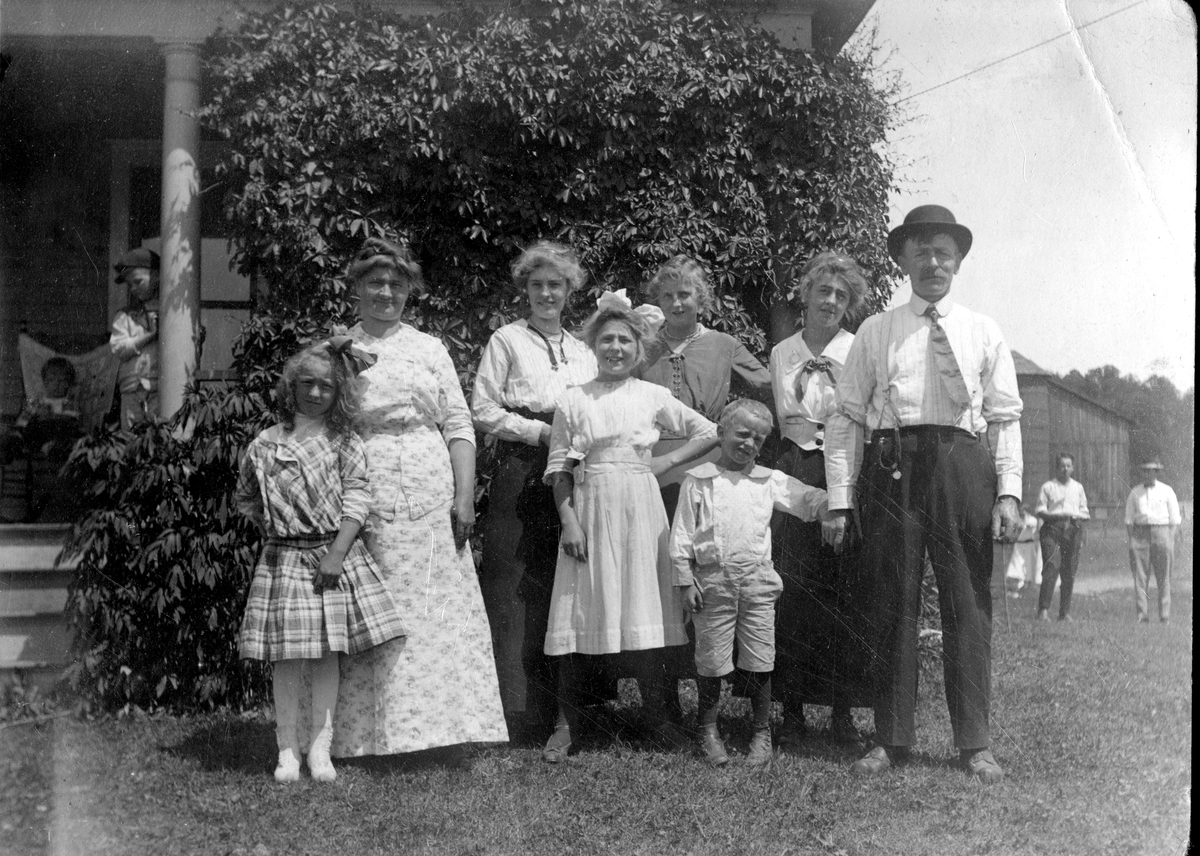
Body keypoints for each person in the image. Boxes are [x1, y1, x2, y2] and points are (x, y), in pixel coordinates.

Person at [822, 204, 1024, 784]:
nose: (933, 262)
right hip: (894, 465)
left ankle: (975, 744)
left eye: (943, 252)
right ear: (904, 261)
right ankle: (891, 738)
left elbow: (1005, 417)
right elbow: (846, 416)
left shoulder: (984, 330)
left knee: (968, 603)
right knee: (892, 600)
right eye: (921, 252)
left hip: (963, 464)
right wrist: (840, 498)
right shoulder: (877, 330)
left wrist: (1008, 493)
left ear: (957, 261)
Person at [332, 237, 509, 759]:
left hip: (430, 486)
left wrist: (464, 497)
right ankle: (365, 738)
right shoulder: (338, 349)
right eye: (375, 283)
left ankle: (443, 732)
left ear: (410, 290)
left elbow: (458, 424)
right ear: (357, 287)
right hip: (365, 484)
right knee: (375, 605)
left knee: (437, 606)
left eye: (397, 283)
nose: (386, 292)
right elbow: (323, 421)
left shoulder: (430, 348)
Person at [540, 292, 719, 763]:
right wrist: (569, 522)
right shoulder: (573, 398)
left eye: (624, 340)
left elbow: (708, 431)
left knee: (644, 606)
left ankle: (657, 717)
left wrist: (664, 463)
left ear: (639, 349)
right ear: (593, 345)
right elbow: (559, 468)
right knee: (578, 610)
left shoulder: (652, 395)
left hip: (640, 508)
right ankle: (566, 724)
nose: (615, 348)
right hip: (589, 509)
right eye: (606, 340)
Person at [236, 340, 407, 783]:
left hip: (331, 556)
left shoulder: (342, 441)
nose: (315, 393)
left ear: (338, 393)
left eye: (326, 386)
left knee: (327, 653)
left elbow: (358, 498)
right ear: (291, 387)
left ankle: (320, 748)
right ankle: (286, 750)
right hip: (284, 558)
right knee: (287, 657)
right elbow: (248, 498)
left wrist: (336, 552)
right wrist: (280, 530)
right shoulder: (265, 444)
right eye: (307, 383)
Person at [637, 254, 771, 722]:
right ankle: (661, 702)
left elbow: (770, 383)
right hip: (651, 468)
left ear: (702, 299)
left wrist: (738, 428)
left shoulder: (723, 343)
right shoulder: (643, 345)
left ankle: (707, 702)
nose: (677, 303)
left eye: (686, 294)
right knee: (659, 579)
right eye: (668, 296)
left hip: (707, 463)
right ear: (658, 301)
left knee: (706, 581)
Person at [471, 241, 597, 736]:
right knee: (517, 583)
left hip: (576, 469)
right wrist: (540, 433)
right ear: (525, 289)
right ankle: (517, 711)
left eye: (556, 285)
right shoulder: (506, 339)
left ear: (570, 291)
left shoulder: (584, 349)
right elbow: (483, 409)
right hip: (522, 466)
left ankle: (571, 709)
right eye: (537, 285)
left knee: (569, 581)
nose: (547, 294)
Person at [670, 399, 830, 767]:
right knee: (711, 658)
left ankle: (761, 732)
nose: (748, 444)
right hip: (712, 580)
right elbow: (681, 536)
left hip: (757, 580)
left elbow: (807, 497)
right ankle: (708, 730)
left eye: (758, 439)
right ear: (721, 432)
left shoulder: (768, 480)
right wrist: (685, 582)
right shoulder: (699, 480)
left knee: (760, 655)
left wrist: (828, 509)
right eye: (742, 434)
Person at [768, 250, 872, 747]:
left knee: (842, 590)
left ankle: (842, 713)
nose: (831, 301)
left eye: (841, 295)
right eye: (823, 291)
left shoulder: (859, 348)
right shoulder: (782, 352)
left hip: (844, 466)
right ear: (805, 295)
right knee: (792, 586)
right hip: (794, 468)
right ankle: (790, 709)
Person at [1124, 456, 1181, 624]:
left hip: (1162, 533)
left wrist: (1169, 539)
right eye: (1145, 471)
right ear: (1141, 472)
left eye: (1151, 471)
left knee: (1164, 577)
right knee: (1140, 577)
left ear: (1157, 472)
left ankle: (1164, 616)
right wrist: (1132, 540)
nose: (1148, 474)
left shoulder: (1167, 491)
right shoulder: (1135, 492)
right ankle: (1142, 615)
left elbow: (1175, 519)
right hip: (1140, 534)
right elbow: (1129, 520)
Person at [1035, 452, 1090, 621]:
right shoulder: (1048, 487)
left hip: (1072, 529)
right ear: (1056, 468)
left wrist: (1077, 520)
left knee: (1069, 570)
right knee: (1051, 567)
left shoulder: (1078, 488)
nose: (1065, 469)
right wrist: (1057, 517)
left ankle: (1064, 612)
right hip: (1052, 529)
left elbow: (1084, 511)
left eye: (1068, 466)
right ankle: (1043, 610)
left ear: (1072, 468)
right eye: (1062, 466)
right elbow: (1040, 510)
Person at [108, 248, 160, 429]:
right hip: (131, 389)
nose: (133, 289)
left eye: (138, 281)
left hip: (158, 388)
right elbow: (119, 349)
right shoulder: (126, 316)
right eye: (130, 285)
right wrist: (148, 336)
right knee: (130, 436)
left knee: (158, 433)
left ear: (156, 276)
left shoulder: (168, 314)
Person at [1, 356, 83, 467]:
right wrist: (32, 418)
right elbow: (23, 420)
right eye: (51, 380)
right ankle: (14, 443)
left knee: (64, 427)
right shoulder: (37, 402)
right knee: (25, 426)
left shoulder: (69, 403)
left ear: (68, 384)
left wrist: (50, 415)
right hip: (36, 435)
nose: (56, 384)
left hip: (55, 434)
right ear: (44, 382)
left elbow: (72, 420)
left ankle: (52, 448)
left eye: (61, 380)